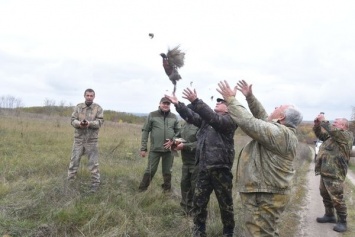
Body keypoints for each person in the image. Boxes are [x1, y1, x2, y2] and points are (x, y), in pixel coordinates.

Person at [217, 80, 303, 237]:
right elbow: (263, 117)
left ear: (282, 116)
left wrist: (231, 99)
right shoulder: (281, 132)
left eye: (278, 107)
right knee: (265, 232)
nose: (275, 108)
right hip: (266, 193)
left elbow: (249, 122)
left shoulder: (281, 134)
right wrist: (250, 97)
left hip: (265, 196)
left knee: (259, 234)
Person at [165, 88, 237, 237]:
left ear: (229, 108)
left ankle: (228, 232)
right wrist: (178, 104)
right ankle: (199, 230)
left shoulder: (229, 121)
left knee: (225, 204)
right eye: (217, 100)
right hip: (203, 168)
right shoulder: (207, 121)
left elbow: (214, 119)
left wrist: (196, 101)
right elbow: (192, 117)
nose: (217, 102)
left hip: (220, 170)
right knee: (199, 202)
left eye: (222, 101)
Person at [313, 113, 354, 232]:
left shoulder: (346, 136)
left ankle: (342, 222)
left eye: (337, 122)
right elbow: (321, 135)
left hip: (335, 174)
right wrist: (316, 125)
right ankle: (329, 215)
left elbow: (332, 131)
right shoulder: (332, 137)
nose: (334, 122)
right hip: (325, 172)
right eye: (333, 121)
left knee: (337, 198)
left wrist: (323, 121)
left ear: (344, 126)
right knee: (325, 195)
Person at [138, 97, 180, 193]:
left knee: (168, 171)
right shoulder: (152, 115)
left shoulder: (174, 117)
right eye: (164, 103)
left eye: (168, 104)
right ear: (160, 104)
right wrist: (143, 148)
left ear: (170, 105)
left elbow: (179, 132)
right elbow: (145, 131)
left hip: (170, 149)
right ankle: (142, 189)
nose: (165, 105)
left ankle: (167, 190)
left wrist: (173, 141)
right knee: (150, 170)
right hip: (155, 149)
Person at [67, 88, 104, 193]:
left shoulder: (98, 108)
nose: (89, 97)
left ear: (94, 97)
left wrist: (89, 123)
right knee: (74, 162)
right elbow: (72, 120)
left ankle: (95, 185)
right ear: (84, 96)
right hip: (79, 139)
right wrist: (79, 124)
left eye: (91, 96)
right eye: (87, 95)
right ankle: (70, 183)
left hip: (91, 140)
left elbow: (100, 122)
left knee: (93, 164)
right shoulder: (78, 107)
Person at [173, 120, 199, 215]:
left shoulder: (200, 124)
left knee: (195, 187)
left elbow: (201, 143)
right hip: (186, 163)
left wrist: (185, 146)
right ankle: (185, 210)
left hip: (196, 162)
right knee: (184, 185)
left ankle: (196, 212)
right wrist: (175, 141)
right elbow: (177, 135)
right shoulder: (184, 125)